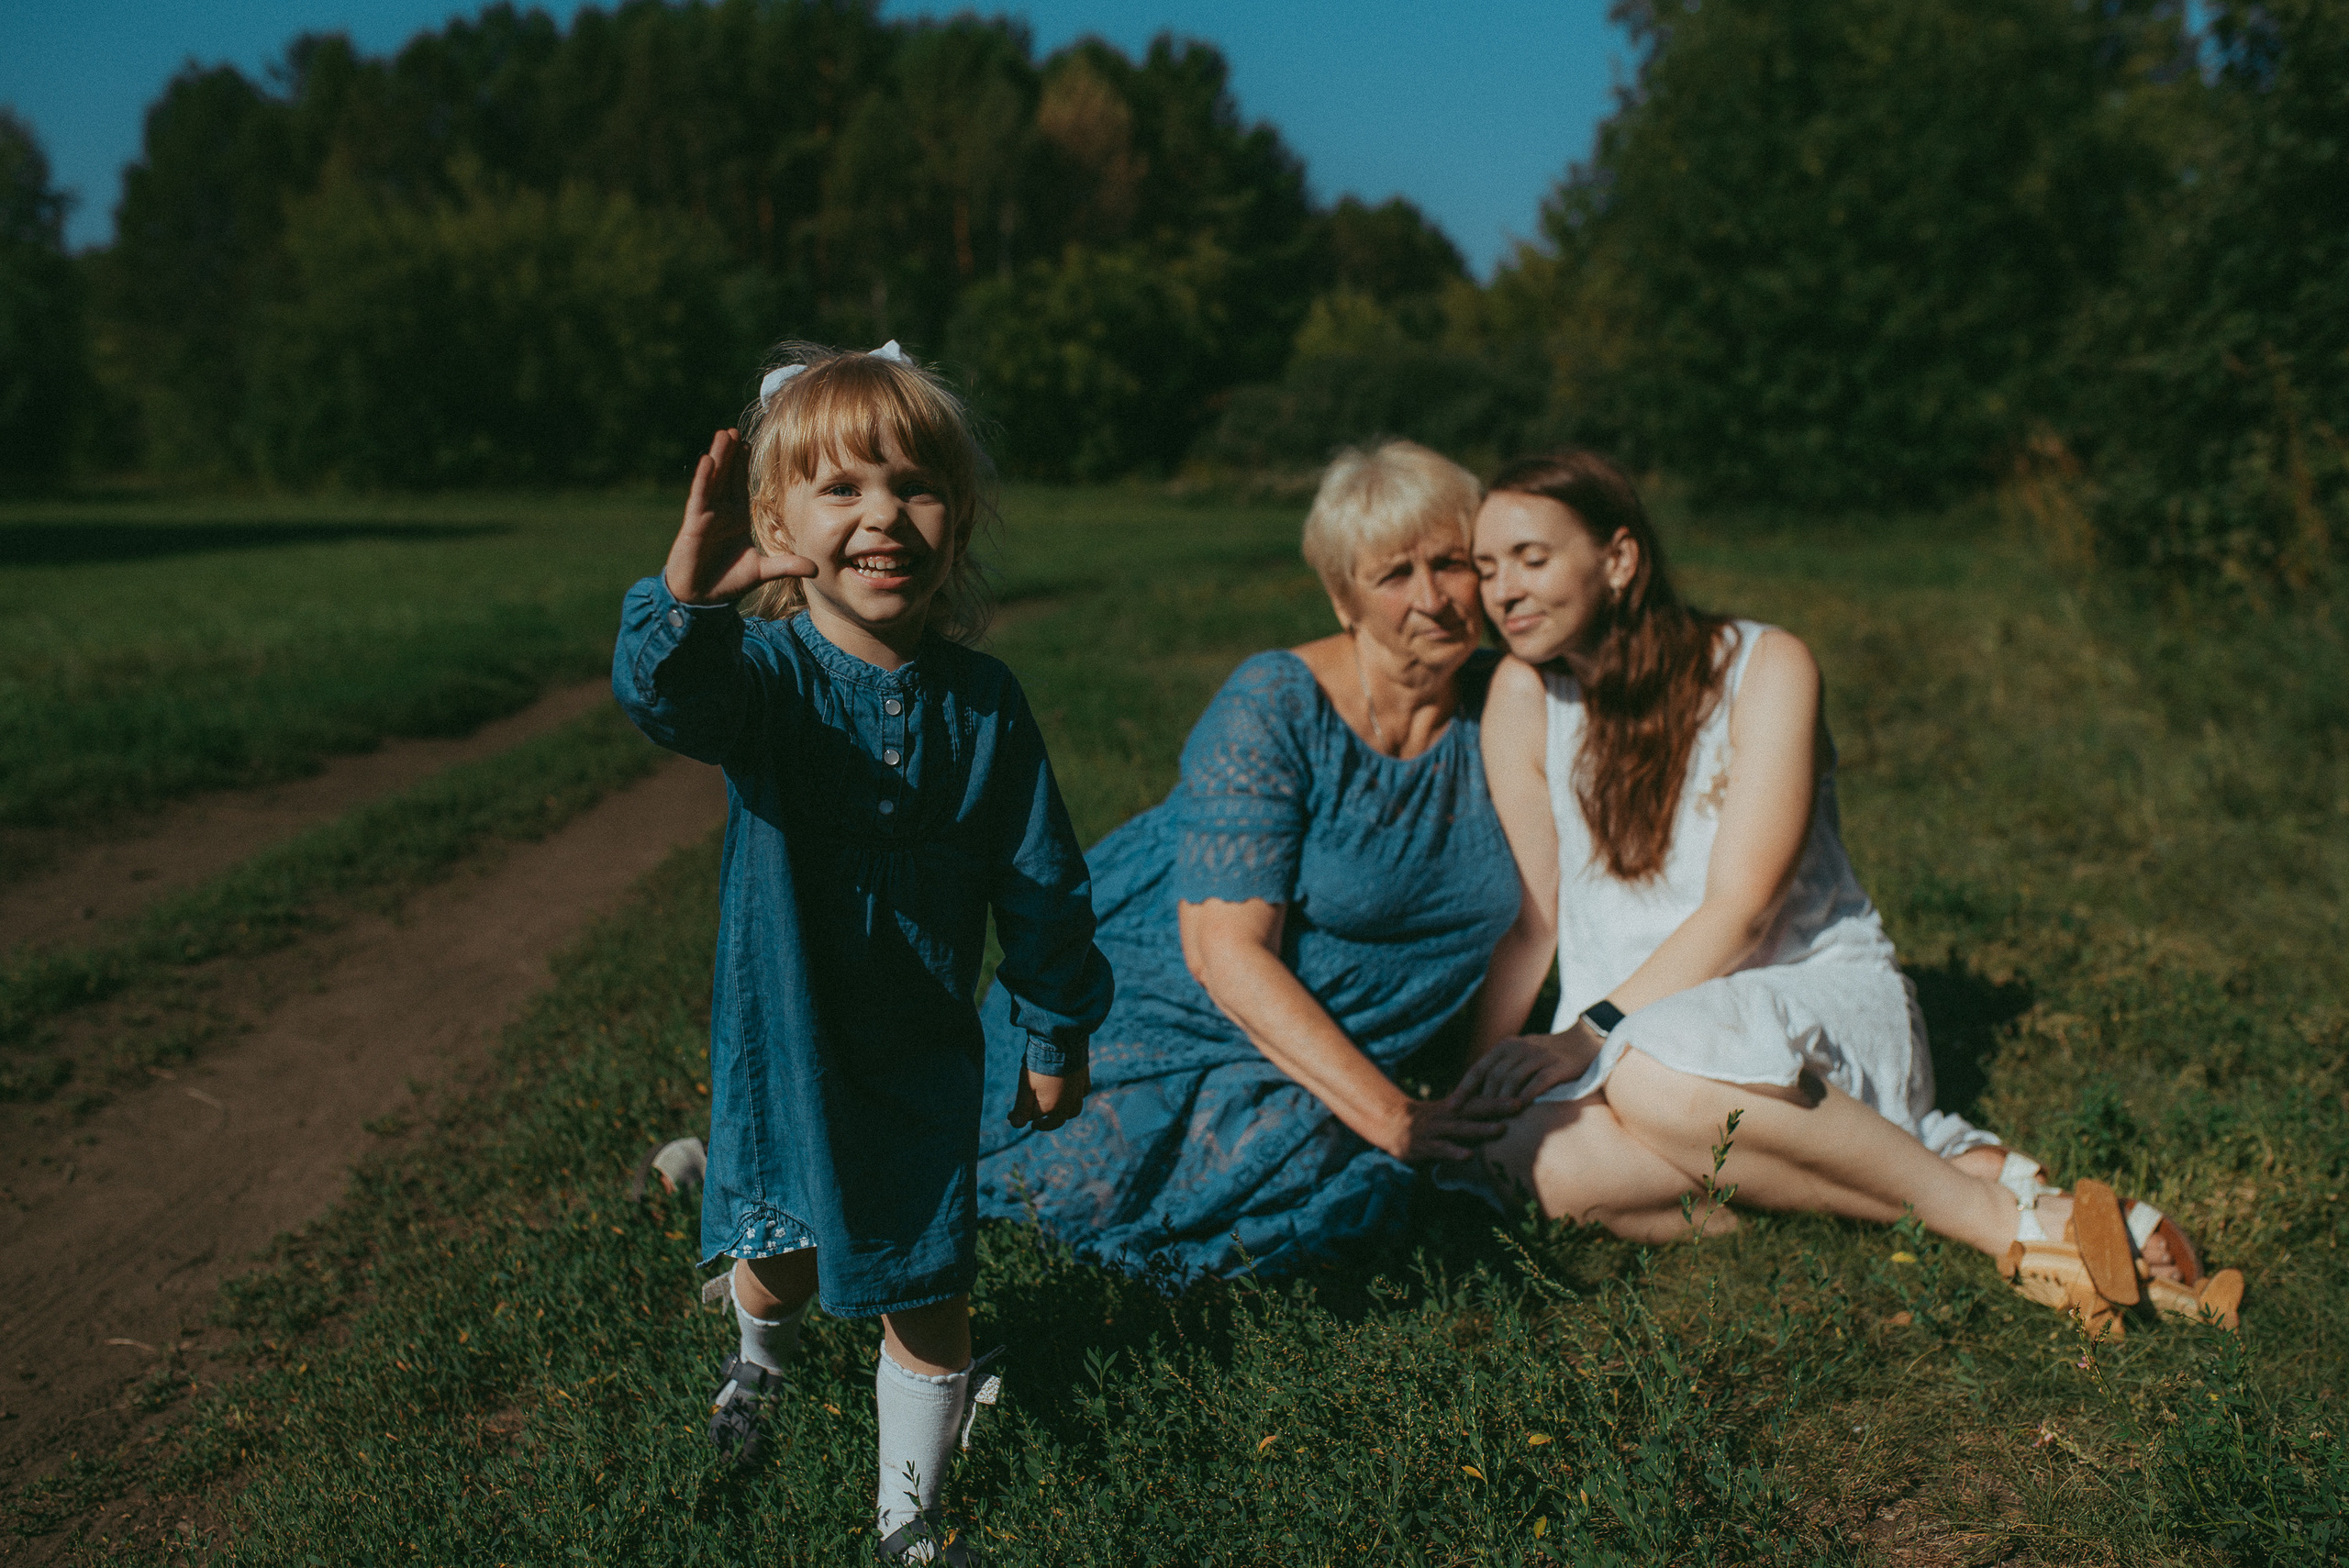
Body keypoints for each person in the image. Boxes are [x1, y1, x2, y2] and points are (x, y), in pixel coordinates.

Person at [1461, 450, 2243, 1333]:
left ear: (1620, 558)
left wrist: (1590, 1034)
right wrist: (1466, 1095)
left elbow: (1742, 906)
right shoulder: (1523, 696)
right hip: (1626, 1035)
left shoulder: (1764, 665)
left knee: (1652, 1080)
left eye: (1531, 558)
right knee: (1527, 1156)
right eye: (1487, 569)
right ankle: (1934, 1177)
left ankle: (2006, 1222)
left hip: (1802, 1000)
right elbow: (1536, 922)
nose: (1503, 592)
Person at [612, 341, 1114, 1563]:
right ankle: (758, 1359)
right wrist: (686, 596)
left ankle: (908, 1523)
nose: (882, 514)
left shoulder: (985, 704)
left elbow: (1040, 874)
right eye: (842, 490)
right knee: (777, 1257)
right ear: (776, 522)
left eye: (914, 485)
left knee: (929, 1274)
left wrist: (1052, 1022)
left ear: (960, 516)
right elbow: (665, 700)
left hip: (919, 1043)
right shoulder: (765, 680)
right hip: (785, 1032)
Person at [975, 440, 1531, 1279]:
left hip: (1322, 1038)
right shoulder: (1275, 703)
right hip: (1156, 1002)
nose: (1433, 598)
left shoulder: (1511, 702)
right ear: (1345, 598)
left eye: (1451, 564)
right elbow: (1223, 953)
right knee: (1120, 1182)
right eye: (1394, 575)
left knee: (1324, 1166)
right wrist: (1394, 1116)